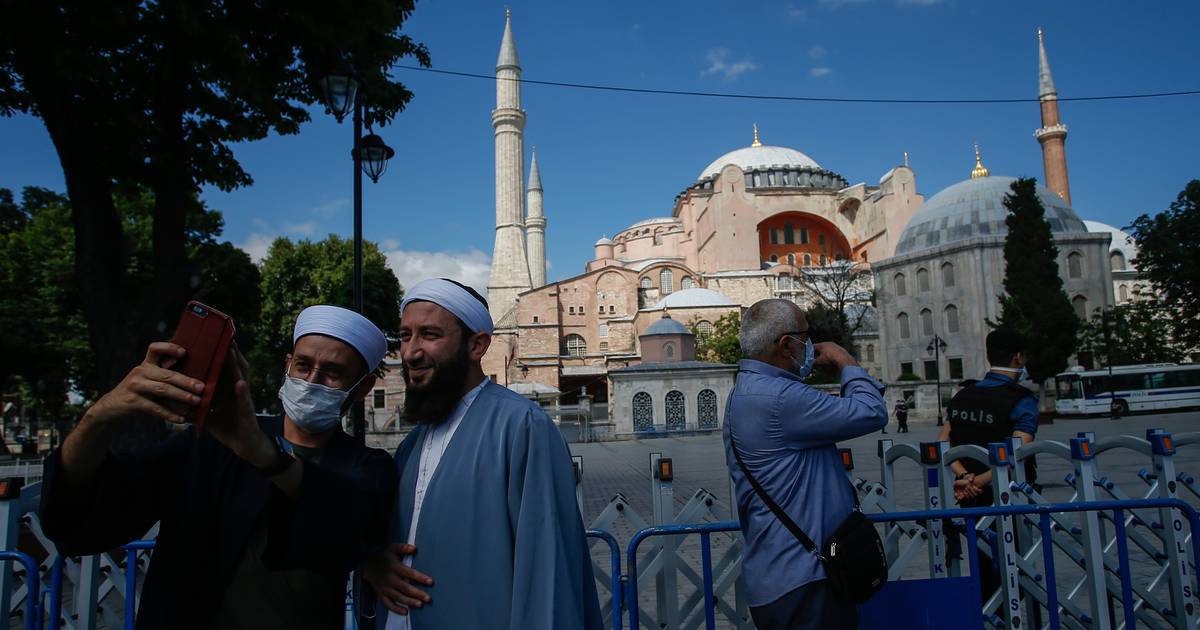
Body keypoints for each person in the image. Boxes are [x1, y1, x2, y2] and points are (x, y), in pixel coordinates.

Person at [40, 305, 400, 630]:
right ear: (287, 365)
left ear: (362, 387)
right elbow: (83, 517)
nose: (311, 381)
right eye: (304, 366)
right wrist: (100, 417)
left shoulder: (367, 466)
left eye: (333, 373)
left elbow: (352, 527)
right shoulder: (211, 445)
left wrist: (263, 455)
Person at [363, 278, 603, 629]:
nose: (411, 352)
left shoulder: (523, 427)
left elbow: (547, 572)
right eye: (404, 336)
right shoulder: (413, 442)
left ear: (477, 345)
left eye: (429, 335)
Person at [722, 299, 887, 630]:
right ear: (786, 344)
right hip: (805, 578)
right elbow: (872, 411)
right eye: (806, 336)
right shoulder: (781, 398)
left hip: (778, 574)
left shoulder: (748, 391)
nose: (811, 345)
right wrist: (845, 361)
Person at [939, 327, 1039, 600]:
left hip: (972, 498)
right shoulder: (1021, 399)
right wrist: (980, 480)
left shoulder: (963, 395)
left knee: (982, 565)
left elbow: (943, 444)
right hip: (1010, 497)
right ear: (1018, 358)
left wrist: (965, 477)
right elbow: (1016, 450)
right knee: (1014, 567)